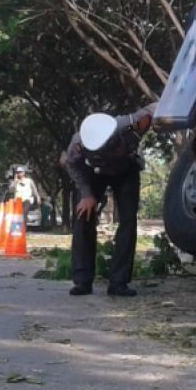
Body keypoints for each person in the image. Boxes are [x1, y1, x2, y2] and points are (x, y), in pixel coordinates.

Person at [62, 103, 156, 297]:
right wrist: (87, 194)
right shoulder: (78, 143)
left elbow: (154, 108)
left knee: (128, 222)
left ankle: (119, 283)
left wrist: (161, 116)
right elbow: (71, 164)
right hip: (94, 173)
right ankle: (82, 281)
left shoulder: (128, 126)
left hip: (126, 171)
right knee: (83, 218)